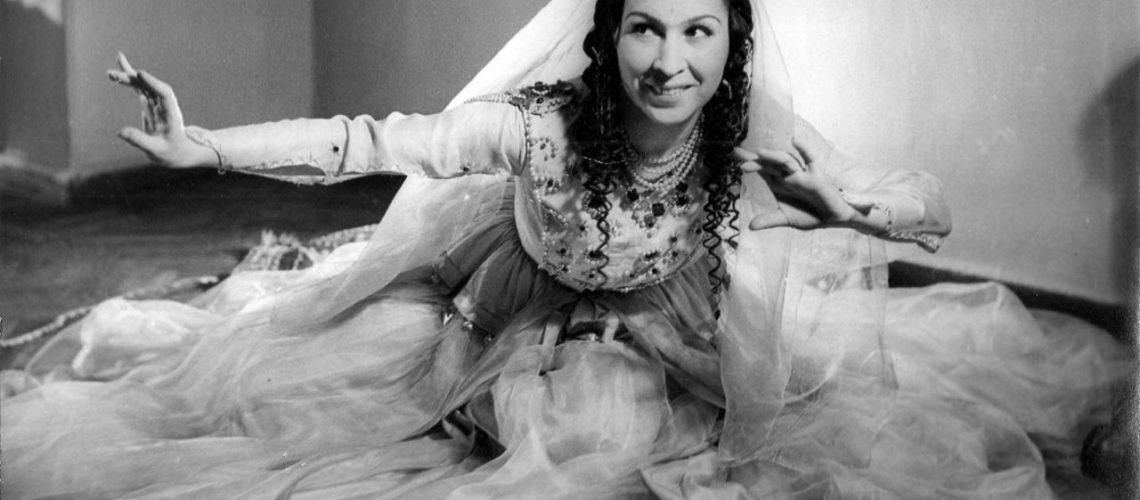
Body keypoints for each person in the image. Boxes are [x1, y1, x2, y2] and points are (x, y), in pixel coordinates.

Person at [0, 0, 1129, 498]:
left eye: (699, 31)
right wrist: (205, 147)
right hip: (514, 309)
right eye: (645, 27)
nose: (670, 62)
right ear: (608, 34)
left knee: (624, 440)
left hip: (668, 337)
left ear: (730, 43)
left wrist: (844, 205)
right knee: (336, 395)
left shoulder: (753, 136)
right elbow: (370, 139)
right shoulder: (539, 123)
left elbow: (926, 209)